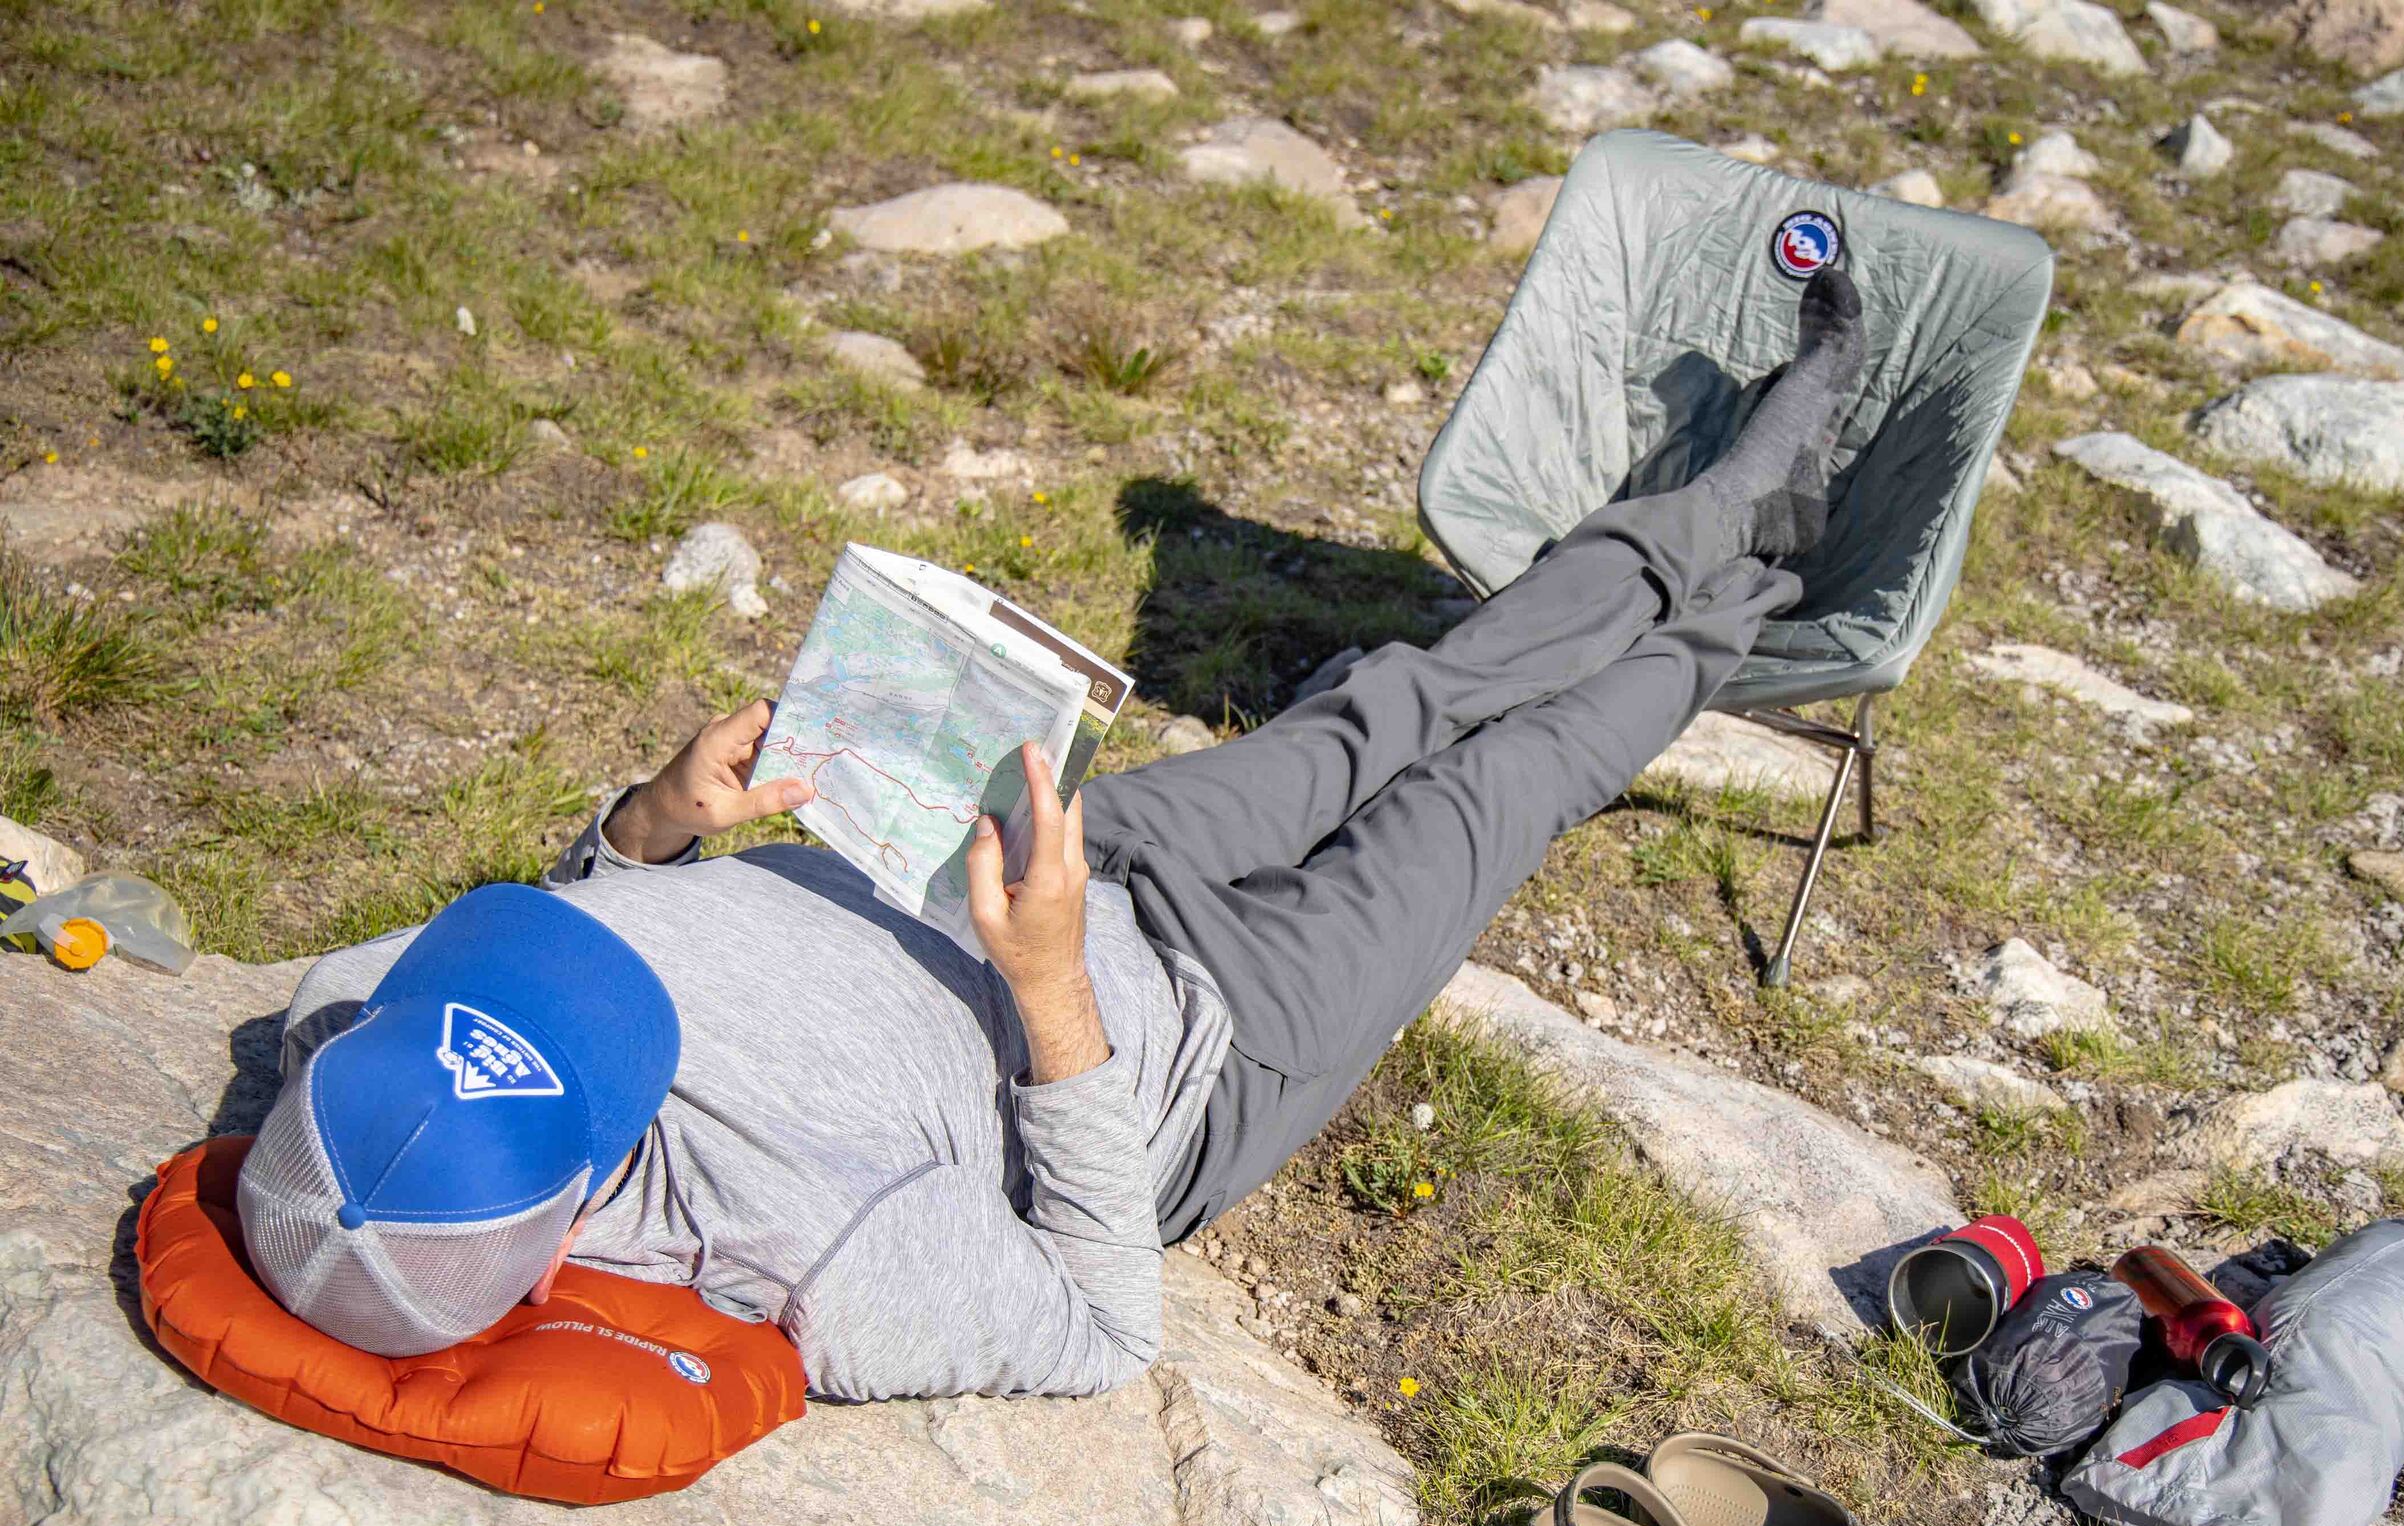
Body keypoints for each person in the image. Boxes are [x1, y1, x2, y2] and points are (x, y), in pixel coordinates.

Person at [237, 269, 1870, 1400]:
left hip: (1025, 862)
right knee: (1499, 781)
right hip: (1209, 1033)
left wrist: (652, 826)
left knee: (1391, 696)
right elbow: (1104, 1321)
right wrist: (1051, 992)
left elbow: (582, 932)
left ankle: (1726, 502)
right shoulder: (803, 1242)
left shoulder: (355, 1020)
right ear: (556, 1245)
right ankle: (1748, 567)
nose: (538, 971)